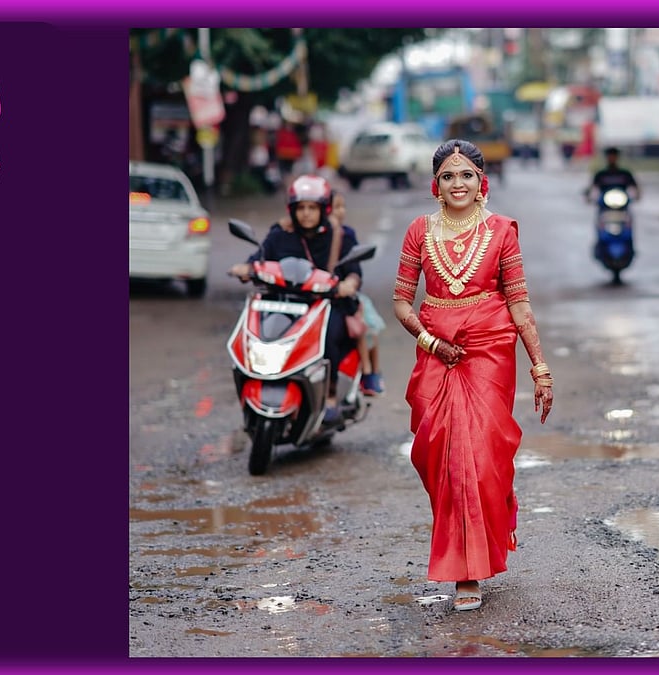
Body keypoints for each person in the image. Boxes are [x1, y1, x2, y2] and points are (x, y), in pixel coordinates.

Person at [392, 139, 555, 612]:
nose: (457, 183)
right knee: (442, 458)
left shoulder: (502, 231)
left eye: (465, 175)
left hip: (488, 353)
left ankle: (468, 574)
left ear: (482, 183)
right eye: (447, 176)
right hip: (437, 355)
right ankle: (463, 560)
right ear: (435, 185)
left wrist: (539, 367)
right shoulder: (419, 231)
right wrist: (431, 342)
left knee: (481, 458)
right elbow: (402, 301)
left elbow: (519, 305)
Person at [228, 175, 362, 423]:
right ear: (292, 209)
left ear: (324, 209)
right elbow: (259, 257)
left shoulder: (340, 236)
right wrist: (245, 269)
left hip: (324, 304)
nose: (306, 214)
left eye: (312, 208)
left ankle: (330, 392)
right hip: (283, 302)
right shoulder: (280, 234)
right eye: (301, 208)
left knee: (329, 333)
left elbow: (354, 271)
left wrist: (349, 284)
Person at [329, 191, 386, 396]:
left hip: (346, 295)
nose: (339, 212)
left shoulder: (346, 235)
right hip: (318, 295)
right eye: (335, 207)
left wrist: (349, 284)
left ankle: (370, 373)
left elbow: (354, 270)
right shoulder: (309, 235)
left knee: (365, 328)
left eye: (342, 207)